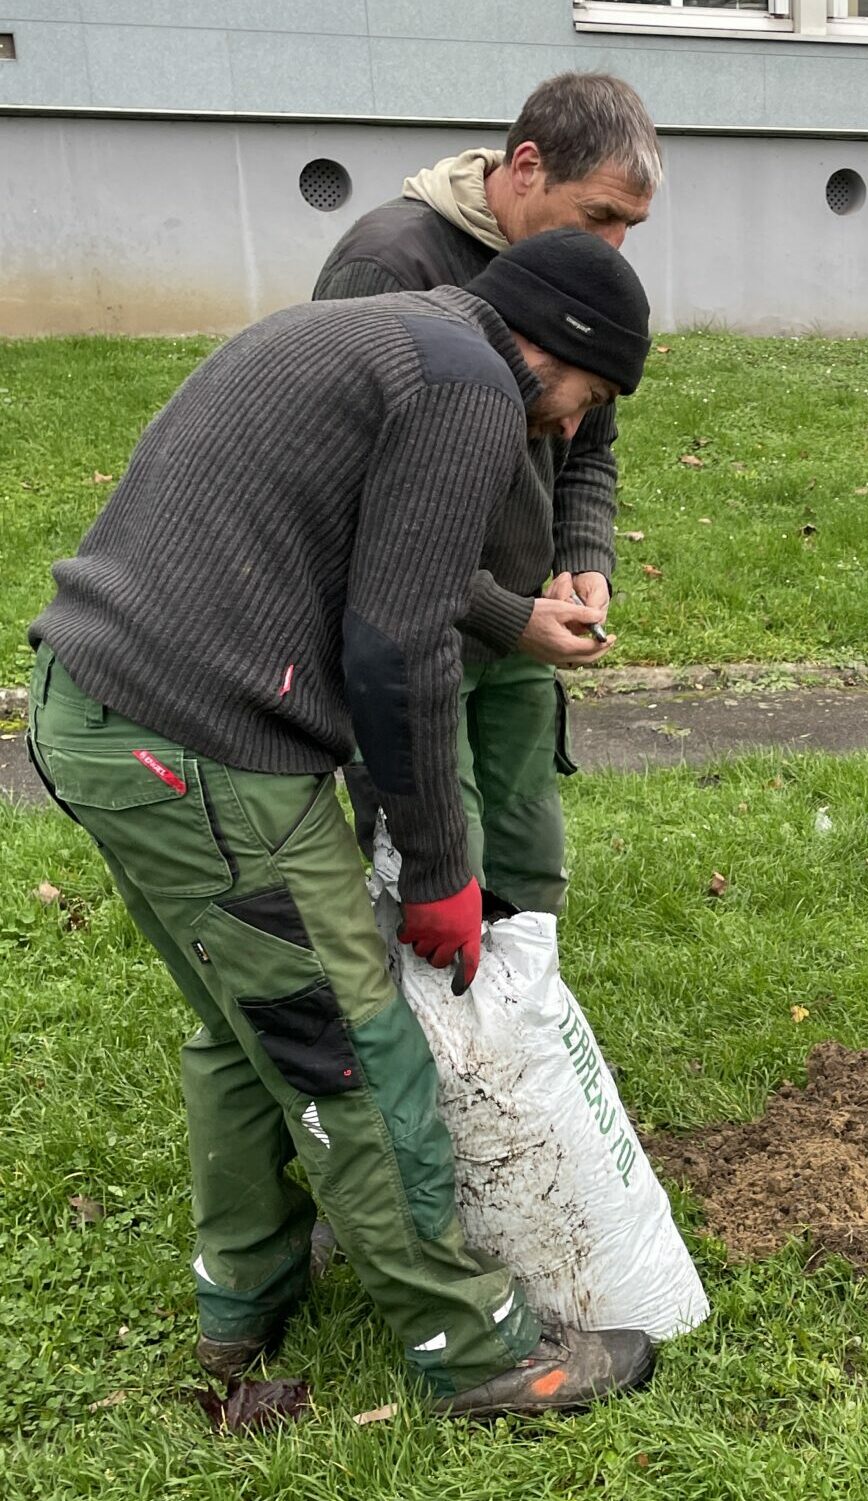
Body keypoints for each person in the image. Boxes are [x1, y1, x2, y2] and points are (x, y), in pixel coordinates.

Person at [27, 229, 654, 1416]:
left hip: (95, 711)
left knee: (245, 1026)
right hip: (201, 752)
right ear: (551, 349)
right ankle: (472, 1351)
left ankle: (244, 1298)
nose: (573, 427)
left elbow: (378, 573)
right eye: (588, 395)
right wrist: (440, 869)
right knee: (352, 1045)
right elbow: (399, 644)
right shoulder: (470, 390)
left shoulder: (382, 338)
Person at [314, 71, 663, 917]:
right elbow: (357, 523)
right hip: (414, 635)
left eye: (631, 225)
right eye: (599, 216)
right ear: (528, 165)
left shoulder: (578, 274)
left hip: (519, 636)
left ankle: (517, 1028)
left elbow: (591, 445)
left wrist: (582, 558)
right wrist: (507, 611)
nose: (614, 246)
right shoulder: (387, 266)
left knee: (529, 857)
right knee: (439, 864)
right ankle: (432, 1041)